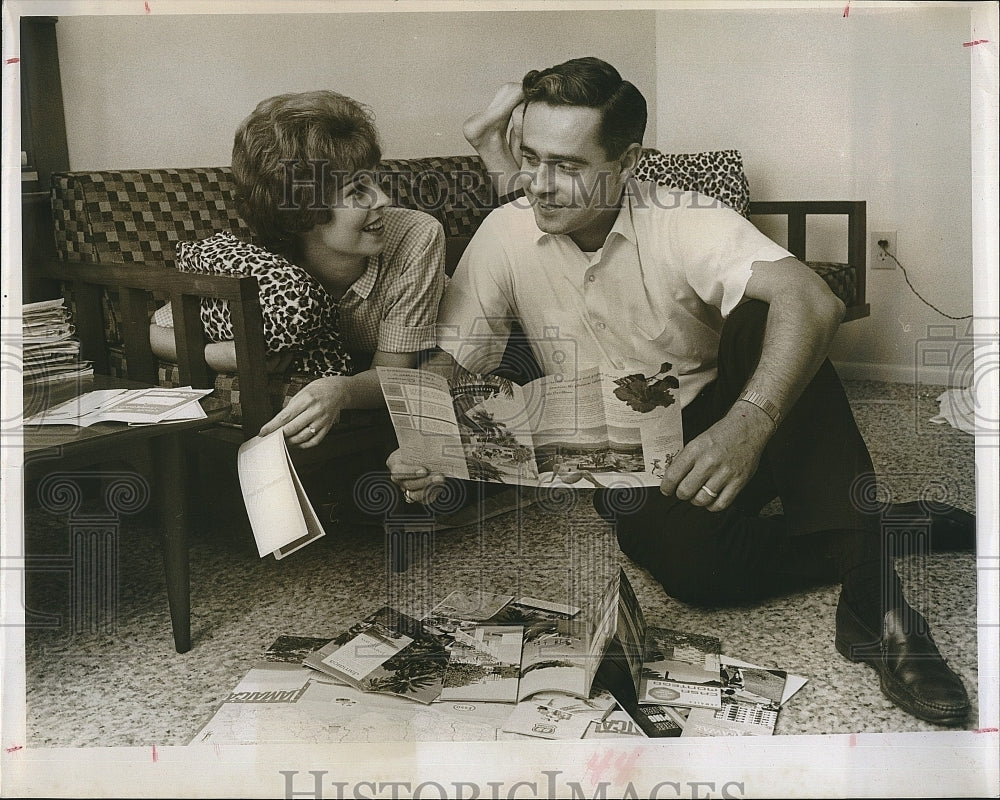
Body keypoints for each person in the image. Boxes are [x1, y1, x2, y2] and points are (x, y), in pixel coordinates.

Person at [389, 57, 976, 725]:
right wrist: (425, 436)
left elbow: (813, 298)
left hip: (733, 417)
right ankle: (886, 527)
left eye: (569, 166)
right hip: (626, 457)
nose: (540, 186)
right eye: (530, 158)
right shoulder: (506, 231)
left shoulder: (681, 217)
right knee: (698, 576)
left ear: (628, 160)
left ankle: (882, 607)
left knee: (771, 311)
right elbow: (452, 361)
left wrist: (751, 421)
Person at [150, 90, 445, 447]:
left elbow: (395, 373)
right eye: (357, 191)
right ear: (302, 211)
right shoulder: (269, 266)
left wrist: (342, 390)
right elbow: (156, 332)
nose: (383, 199)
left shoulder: (417, 236)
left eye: (375, 180)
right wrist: (222, 353)